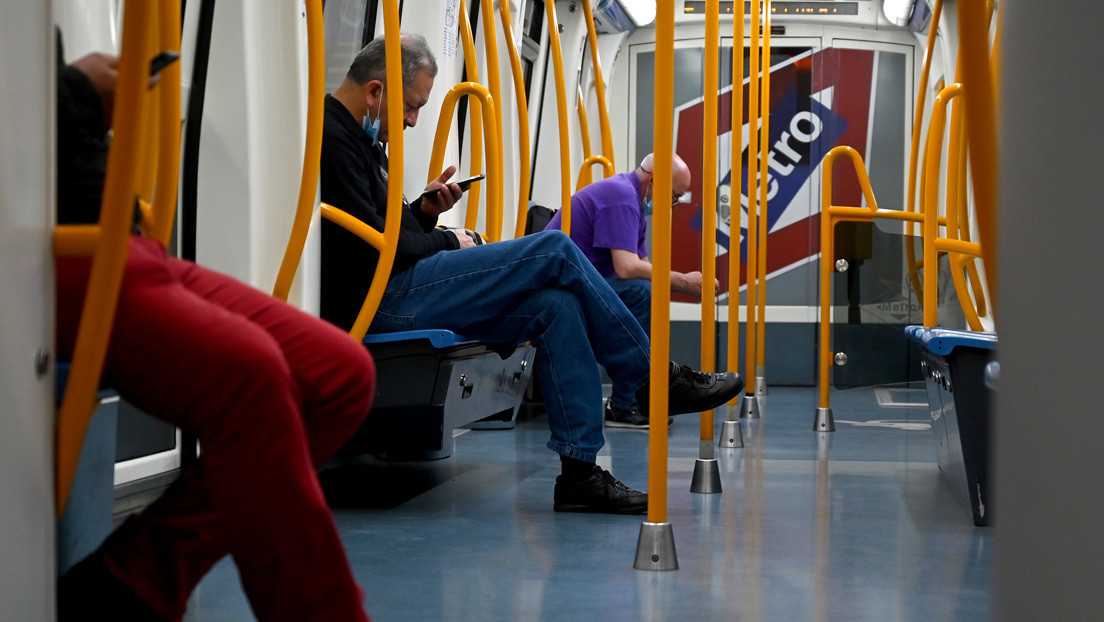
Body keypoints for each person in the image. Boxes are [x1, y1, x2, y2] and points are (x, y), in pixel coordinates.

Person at [319, 34, 744, 515]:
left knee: (555, 307)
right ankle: (653, 379)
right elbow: (382, 248)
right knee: (556, 249)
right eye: (412, 107)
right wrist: (448, 238)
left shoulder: (364, 140)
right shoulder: (334, 140)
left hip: (401, 283)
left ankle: (580, 474)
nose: (414, 121)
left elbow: (389, 230)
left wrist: (422, 211)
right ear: (375, 92)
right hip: (382, 300)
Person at [55, 39, 376, 622]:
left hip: (114, 235)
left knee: (340, 374)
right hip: (42, 246)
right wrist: (76, 91)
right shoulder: (339, 137)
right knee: (248, 372)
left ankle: (135, 579)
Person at [544, 153, 720, 429]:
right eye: (673, 197)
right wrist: (685, 282)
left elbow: (644, 268)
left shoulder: (633, 205)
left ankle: (645, 389)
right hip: (560, 287)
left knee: (648, 291)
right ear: (654, 181)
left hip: (579, 283)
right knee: (641, 294)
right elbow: (627, 268)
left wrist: (674, 284)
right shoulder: (621, 197)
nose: (673, 206)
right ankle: (627, 402)